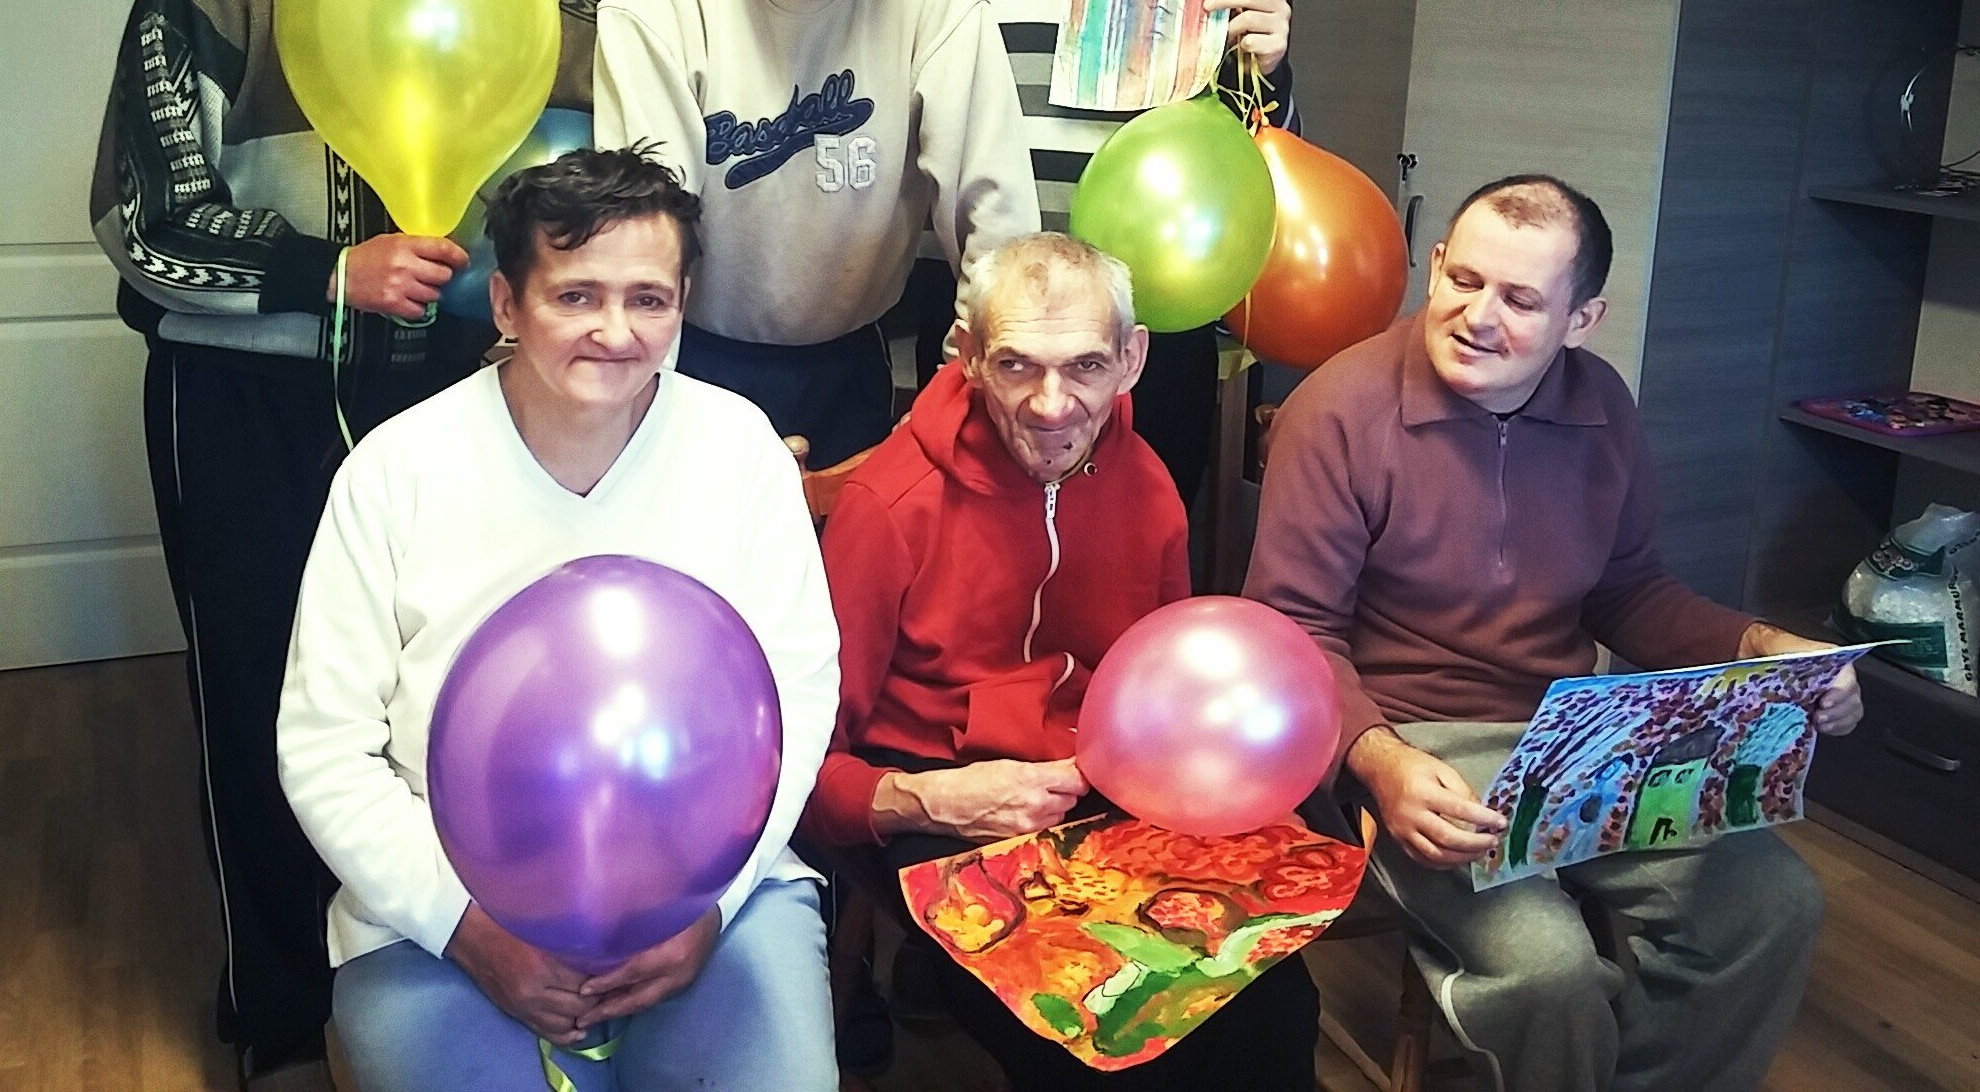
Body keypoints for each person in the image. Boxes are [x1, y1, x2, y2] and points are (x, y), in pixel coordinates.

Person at [88, 0, 602, 1084]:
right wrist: (329, 270)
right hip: (240, 401)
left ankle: (421, 966)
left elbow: (634, 40)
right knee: (266, 698)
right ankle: (274, 1012)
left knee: (426, 694)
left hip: (433, 397)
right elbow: (137, 215)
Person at [1245, 174, 1864, 1092]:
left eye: (1520, 299)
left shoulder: (1602, 404)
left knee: (1772, 904)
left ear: (1582, 319)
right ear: (1437, 264)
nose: (1476, 316)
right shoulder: (1337, 411)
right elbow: (1292, 633)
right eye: (1464, 279)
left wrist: (1763, 647)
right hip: (1414, 743)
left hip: (1577, 734)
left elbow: (1628, 592)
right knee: (1549, 972)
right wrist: (1379, 760)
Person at [642, 0, 1294, 509]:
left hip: (1149, 326)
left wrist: (1273, 70)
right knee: (969, 544)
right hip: (990, 324)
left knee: (1134, 543)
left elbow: (1264, 156)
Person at [277, 146, 841, 1092]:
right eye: (576, 296)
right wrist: (468, 930)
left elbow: (799, 692)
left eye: (648, 299)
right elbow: (324, 745)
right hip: (441, 908)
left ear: (682, 302)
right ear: (507, 304)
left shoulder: (739, 451)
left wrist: (713, 905)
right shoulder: (395, 471)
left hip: (709, 893)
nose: (615, 332)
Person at [809, 231, 1319, 1091]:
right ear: (969, 356)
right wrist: (927, 799)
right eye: (1017, 366)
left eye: (1085, 366)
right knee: (1081, 1039)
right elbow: (800, 773)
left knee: (1271, 1005)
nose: (1052, 406)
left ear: (1131, 360)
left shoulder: (1149, 489)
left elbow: (1171, 700)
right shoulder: (886, 507)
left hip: (1103, 788)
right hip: (940, 794)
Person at [596, 0, 1039, 467]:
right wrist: (655, 432)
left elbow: (996, 220)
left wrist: (964, 400)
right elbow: (640, 239)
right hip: (683, 355)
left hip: (851, 360)